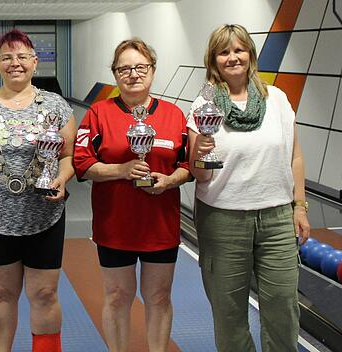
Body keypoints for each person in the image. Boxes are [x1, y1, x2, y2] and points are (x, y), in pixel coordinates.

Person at [188, 24, 310, 351]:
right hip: (223, 221)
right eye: (224, 52)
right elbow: (199, 174)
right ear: (213, 61)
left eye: (239, 50)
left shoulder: (278, 100)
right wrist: (199, 153)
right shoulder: (203, 106)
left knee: (283, 305)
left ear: (250, 55)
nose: (233, 58)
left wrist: (300, 206)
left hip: (276, 219)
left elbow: (295, 155)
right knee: (229, 315)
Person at [0, 29, 76, 352]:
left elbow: (69, 157)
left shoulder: (56, 106)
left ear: (35, 62)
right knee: (2, 294)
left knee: (45, 295)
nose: (15, 63)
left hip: (44, 218)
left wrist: (62, 179)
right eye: (7, 57)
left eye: (22, 57)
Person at [73, 39, 190, 352]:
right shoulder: (98, 113)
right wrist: (121, 170)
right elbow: (82, 163)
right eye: (124, 68)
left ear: (152, 71)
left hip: (161, 227)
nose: (133, 74)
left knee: (159, 298)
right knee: (116, 297)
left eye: (140, 67)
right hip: (115, 228)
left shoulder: (174, 115)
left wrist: (169, 181)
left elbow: (189, 164)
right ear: (115, 74)